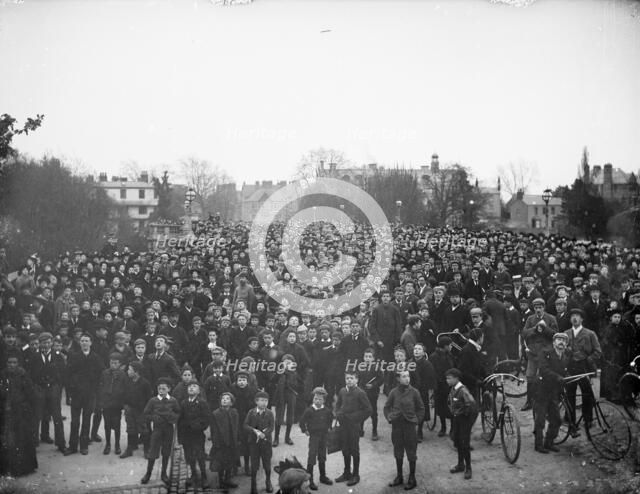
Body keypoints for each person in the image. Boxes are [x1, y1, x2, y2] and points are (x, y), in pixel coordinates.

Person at [384, 369, 425, 491]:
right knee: (398, 451)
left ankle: (412, 478)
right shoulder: (393, 392)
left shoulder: (414, 392)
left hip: (409, 426)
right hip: (397, 426)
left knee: (411, 452)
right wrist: (389, 418)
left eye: (408, 376)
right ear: (398, 379)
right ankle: (399, 476)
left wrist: (416, 420)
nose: (407, 378)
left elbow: (421, 408)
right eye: (403, 376)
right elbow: (386, 407)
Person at [64, 333, 104, 456]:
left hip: (90, 394)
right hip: (77, 394)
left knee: (87, 420)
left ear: (91, 343)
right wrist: (71, 391)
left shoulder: (96, 358)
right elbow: (68, 375)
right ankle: (72, 446)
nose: (84, 343)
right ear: (79, 343)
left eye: (87, 340)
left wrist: (96, 390)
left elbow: (101, 374)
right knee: (75, 421)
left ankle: (84, 446)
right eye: (82, 341)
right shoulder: (74, 356)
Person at [563, 308, 602, 433]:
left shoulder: (590, 334)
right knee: (570, 395)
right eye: (572, 316)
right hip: (570, 368)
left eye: (577, 316)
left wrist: (589, 360)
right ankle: (571, 421)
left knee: (587, 394)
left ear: (582, 319)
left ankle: (588, 419)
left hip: (584, 368)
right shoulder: (566, 334)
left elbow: (598, 352)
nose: (575, 318)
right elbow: (560, 350)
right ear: (570, 319)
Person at [0, 355, 38, 476]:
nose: (12, 365)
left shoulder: (23, 376)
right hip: (5, 413)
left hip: (21, 413)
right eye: (9, 362)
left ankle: (22, 468)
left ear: (18, 364)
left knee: (21, 439)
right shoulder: (2, 375)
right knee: (6, 439)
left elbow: (31, 394)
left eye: (14, 362)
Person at [334, 370, 372, 487]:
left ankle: (356, 474)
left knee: (354, 450)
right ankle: (347, 472)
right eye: (347, 378)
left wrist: (355, 418)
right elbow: (338, 405)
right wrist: (338, 413)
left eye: (351, 378)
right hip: (343, 425)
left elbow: (368, 410)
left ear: (357, 380)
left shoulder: (360, 393)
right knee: (345, 448)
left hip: (354, 426)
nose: (349, 380)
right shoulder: (342, 391)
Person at [31, 331, 67, 453]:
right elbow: (31, 375)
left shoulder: (58, 356)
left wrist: (57, 386)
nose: (46, 345)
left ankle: (61, 443)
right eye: (43, 343)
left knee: (56, 416)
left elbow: (62, 373)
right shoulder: (34, 357)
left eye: (48, 342)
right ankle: (34, 442)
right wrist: (36, 388)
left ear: (52, 343)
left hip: (53, 388)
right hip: (39, 388)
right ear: (39, 344)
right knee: (37, 415)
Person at [534, 332, 570, 453]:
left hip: (554, 392)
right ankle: (538, 445)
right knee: (541, 419)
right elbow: (544, 370)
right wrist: (558, 377)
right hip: (542, 390)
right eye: (559, 339)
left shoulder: (565, 357)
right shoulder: (545, 353)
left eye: (564, 341)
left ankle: (549, 442)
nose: (561, 342)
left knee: (556, 420)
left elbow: (564, 373)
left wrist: (567, 378)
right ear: (554, 342)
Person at [141, 377, 181, 485]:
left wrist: (171, 417)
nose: (161, 391)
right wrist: (154, 418)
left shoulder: (173, 400)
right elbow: (146, 413)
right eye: (159, 388)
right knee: (153, 451)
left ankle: (164, 473)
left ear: (169, 389)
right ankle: (148, 473)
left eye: (164, 388)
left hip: (168, 429)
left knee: (166, 451)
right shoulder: (153, 401)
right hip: (157, 429)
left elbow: (178, 413)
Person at [521, 298, 558, 411]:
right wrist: (535, 328)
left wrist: (545, 328)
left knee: (546, 377)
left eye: (540, 308)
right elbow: (524, 333)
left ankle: (548, 402)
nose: (538, 310)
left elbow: (556, 334)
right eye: (536, 308)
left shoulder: (551, 318)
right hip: (533, 353)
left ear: (544, 308)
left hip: (546, 353)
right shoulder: (530, 319)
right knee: (530, 377)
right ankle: (529, 401)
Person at [299, 387, 334, 491]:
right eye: (315, 398)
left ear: (324, 400)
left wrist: (329, 428)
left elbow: (330, 419)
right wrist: (304, 430)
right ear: (313, 399)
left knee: (322, 456)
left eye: (320, 399)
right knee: (312, 457)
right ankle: (310, 480)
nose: (317, 401)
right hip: (314, 437)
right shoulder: (309, 410)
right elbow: (302, 421)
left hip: (323, 436)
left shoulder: (327, 410)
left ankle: (322, 477)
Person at [177, 378, 210, 488]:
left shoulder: (202, 403)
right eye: (189, 387)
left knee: (200, 455)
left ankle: (204, 476)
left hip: (197, 435)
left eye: (194, 386)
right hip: (186, 435)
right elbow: (180, 420)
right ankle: (193, 474)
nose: (191, 388)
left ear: (199, 391)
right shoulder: (183, 403)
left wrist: (196, 426)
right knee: (189, 456)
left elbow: (206, 419)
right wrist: (180, 436)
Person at [446, 368, 477, 480]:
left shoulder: (463, 390)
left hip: (463, 420)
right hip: (457, 419)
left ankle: (468, 468)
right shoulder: (453, 388)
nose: (447, 380)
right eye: (446, 378)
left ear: (456, 378)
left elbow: (471, 405)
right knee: (458, 441)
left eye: (449, 378)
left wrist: (465, 417)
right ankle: (460, 464)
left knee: (464, 443)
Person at [244, 390, 275, 494]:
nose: (264, 403)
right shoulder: (251, 412)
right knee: (254, 465)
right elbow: (245, 425)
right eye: (261, 400)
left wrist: (265, 434)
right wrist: (254, 431)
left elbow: (271, 426)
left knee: (267, 463)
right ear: (256, 401)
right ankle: (253, 484)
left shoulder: (270, 413)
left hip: (266, 442)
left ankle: (268, 481)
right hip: (254, 443)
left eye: (266, 400)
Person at [120, 360, 153, 459]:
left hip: (142, 411)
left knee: (144, 430)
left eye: (130, 370)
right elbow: (123, 395)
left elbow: (149, 399)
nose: (127, 371)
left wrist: (146, 411)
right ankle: (130, 448)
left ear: (136, 372)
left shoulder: (145, 383)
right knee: (131, 429)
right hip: (130, 410)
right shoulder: (127, 382)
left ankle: (147, 450)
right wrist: (125, 406)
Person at [98, 352, 127, 455]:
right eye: (111, 363)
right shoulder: (105, 373)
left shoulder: (123, 374)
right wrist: (101, 401)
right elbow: (101, 387)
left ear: (119, 364)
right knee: (107, 425)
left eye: (115, 363)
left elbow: (124, 389)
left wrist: (122, 403)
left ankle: (117, 445)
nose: (113, 365)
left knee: (117, 425)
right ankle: (108, 444)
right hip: (106, 403)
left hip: (117, 404)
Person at [210, 391, 239, 489]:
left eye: (227, 399)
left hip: (231, 441)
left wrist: (236, 439)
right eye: (223, 399)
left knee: (230, 460)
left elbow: (236, 427)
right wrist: (216, 442)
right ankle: (221, 480)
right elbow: (213, 430)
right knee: (221, 461)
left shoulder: (234, 412)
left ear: (231, 402)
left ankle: (228, 478)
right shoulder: (216, 413)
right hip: (221, 442)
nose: (224, 400)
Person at [430, 336, 455, 437]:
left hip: (450, 385)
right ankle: (443, 427)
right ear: (445, 346)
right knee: (441, 407)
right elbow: (433, 373)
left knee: (452, 407)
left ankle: (453, 429)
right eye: (450, 345)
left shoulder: (449, 355)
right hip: (440, 386)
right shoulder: (434, 357)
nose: (451, 347)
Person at [358, 347, 383, 440]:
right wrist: (360, 388)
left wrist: (373, 385)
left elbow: (381, 379)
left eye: (369, 357)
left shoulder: (376, 367)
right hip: (363, 393)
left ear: (373, 358)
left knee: (373, 412)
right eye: (366, 356)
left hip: (372, 393)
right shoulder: (361, 367)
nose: (367, 358)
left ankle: (374, 430)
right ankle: (360, 429)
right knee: (361, 411)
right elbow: (358, 379)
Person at [273, 353, 298, 447]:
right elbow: (272, 380)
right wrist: (280, 373)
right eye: (285, 362)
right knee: (279, 416)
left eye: (289, 363)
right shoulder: (279, 372)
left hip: (291, 395)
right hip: (280, 395)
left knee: (290, 416)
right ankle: (276, 438)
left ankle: (287, 437)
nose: (287, 365)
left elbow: (296, 385)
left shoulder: (294, 373)